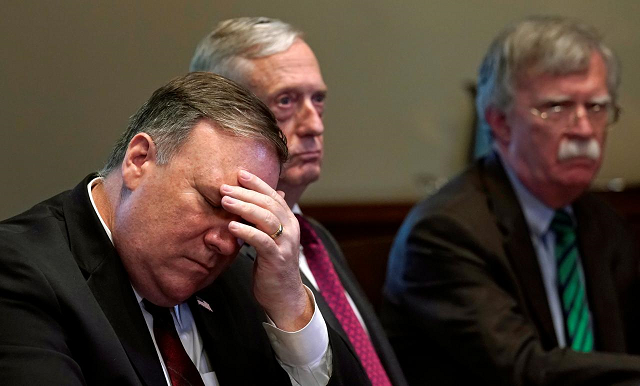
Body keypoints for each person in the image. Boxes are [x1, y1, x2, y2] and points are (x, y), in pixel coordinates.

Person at [0, 72, 371, 385]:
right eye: (212, 203)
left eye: (244, 219)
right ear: (139, 160)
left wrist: (289, 302)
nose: (225, 243)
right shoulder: (21, 269)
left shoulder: (245, 278)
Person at [383, 16, 640, 386]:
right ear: (500, 123)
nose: (584, 129)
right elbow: (524, 370)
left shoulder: (601, 222)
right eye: (557, 107)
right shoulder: (445, 232)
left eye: (597, 107)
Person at [190, 17, 407, 386]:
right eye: (286, 100)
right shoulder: (218, 250)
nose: (314, 125)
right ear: (221, 116)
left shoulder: (315, 235)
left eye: (318, 99)